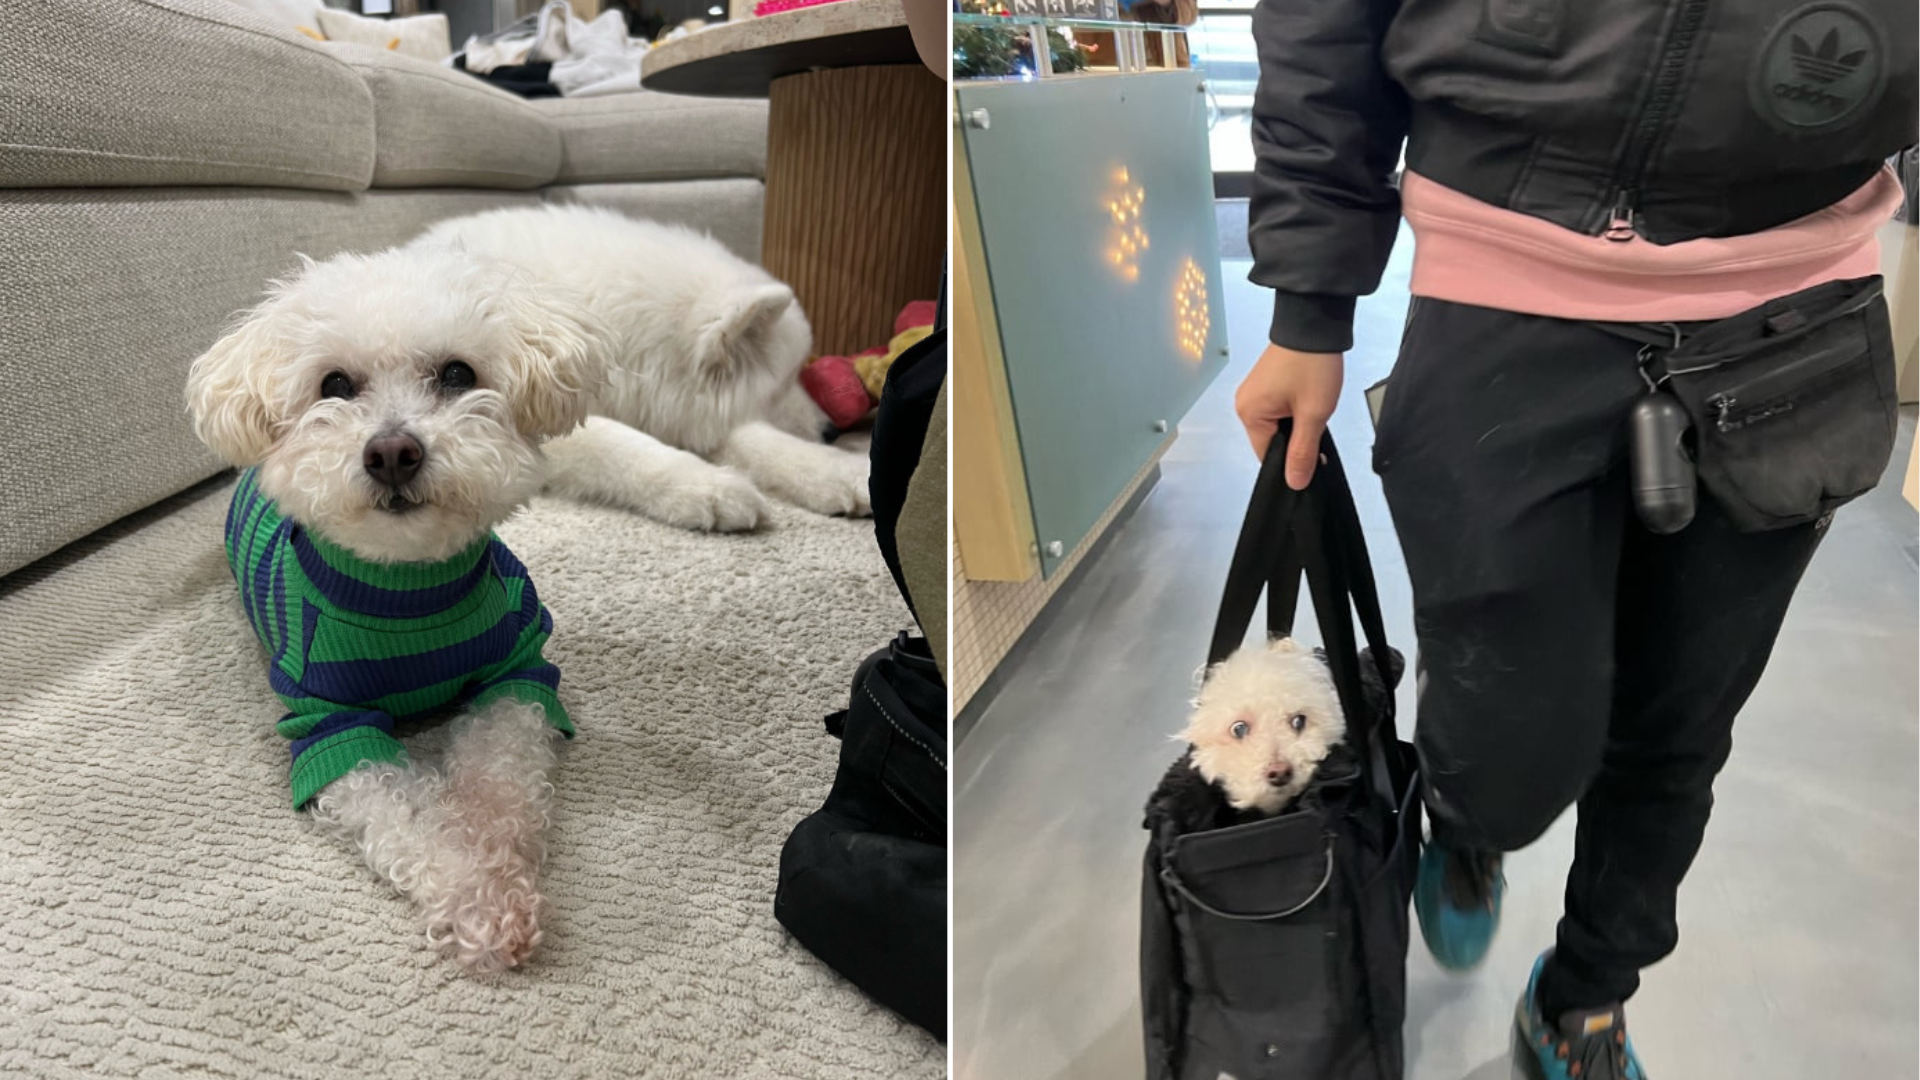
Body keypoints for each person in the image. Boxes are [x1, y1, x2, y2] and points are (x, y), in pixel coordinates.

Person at [1235, 4, 1915, 1079]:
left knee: (1680, 727)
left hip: (1795, 316)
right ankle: (1468, 817)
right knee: (1508, 712)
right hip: (1503, 279)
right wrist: (1310, 303)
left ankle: (1585, 997)